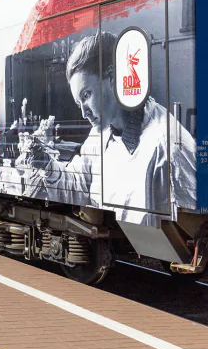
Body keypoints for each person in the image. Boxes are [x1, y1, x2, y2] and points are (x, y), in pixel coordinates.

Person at [18, 31, 196, 223]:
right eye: (78, 103)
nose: (83, 113)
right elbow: (79, 186)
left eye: (86, 95)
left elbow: (192, 231)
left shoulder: (168, 148)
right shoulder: (100, 133)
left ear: (113, 78)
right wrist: (47, 164)